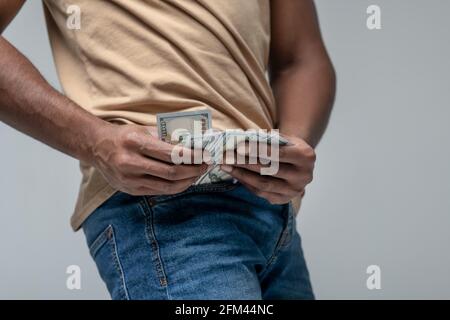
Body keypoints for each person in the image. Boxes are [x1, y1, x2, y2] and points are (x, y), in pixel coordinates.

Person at [0, 0, 335, 299]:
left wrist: (289, 147)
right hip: (160, 204)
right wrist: (94, 139)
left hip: (275, 213)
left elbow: (302, 59)